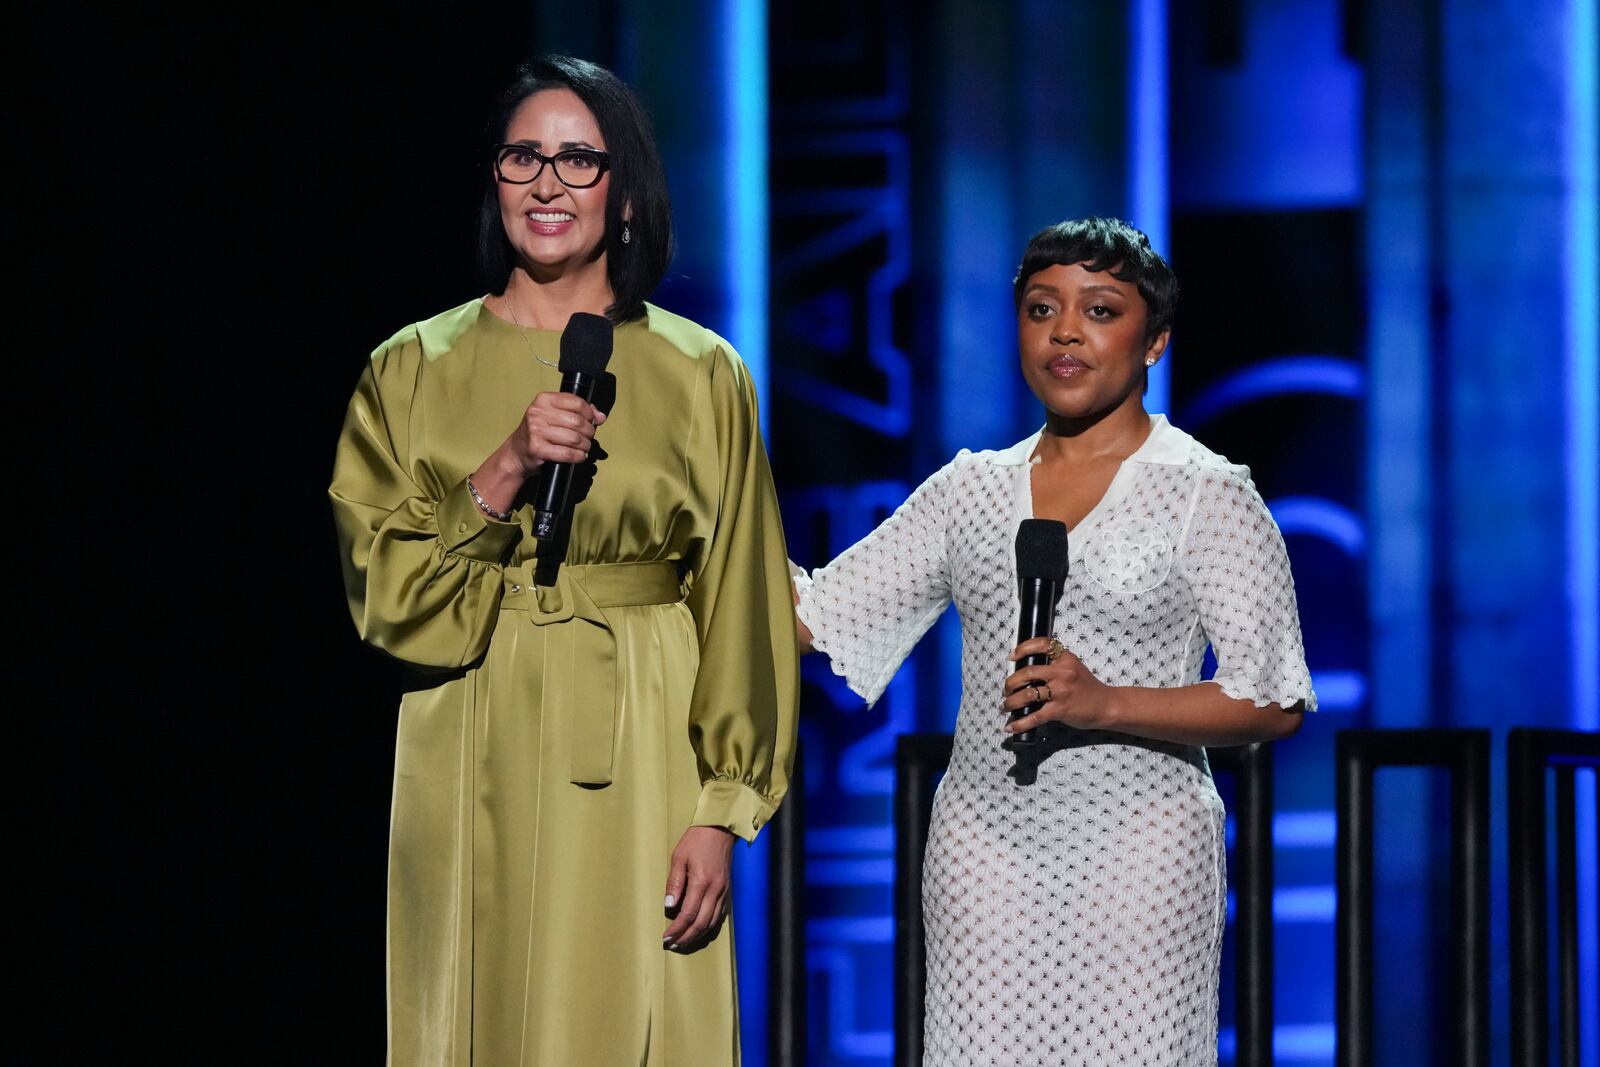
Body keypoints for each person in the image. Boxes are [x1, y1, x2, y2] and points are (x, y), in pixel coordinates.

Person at [329, 56, 798, 1065]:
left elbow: (743, 602)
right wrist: (502, 466)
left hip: (644, 734)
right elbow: (386, 596)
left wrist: (721, 809)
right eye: (523, 157)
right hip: (470, 731)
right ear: (494, 183)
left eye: (579, 159)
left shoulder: (700, 370)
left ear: (626, 194)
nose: (547, 183)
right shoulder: (411, 367)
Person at [793, 217, 1314, 1066]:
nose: (1065, 331)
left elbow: (1273, 697)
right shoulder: (970, 490)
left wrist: (1103, 701)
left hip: (1142, 863)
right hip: (984, 860)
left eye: (1100, 310)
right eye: (1042, 309)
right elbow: (815, 615)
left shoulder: (1206, 494)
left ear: (1155, 342)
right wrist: (700, 513)